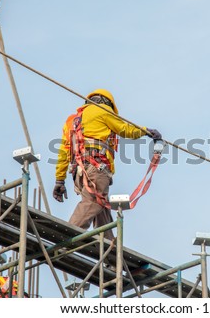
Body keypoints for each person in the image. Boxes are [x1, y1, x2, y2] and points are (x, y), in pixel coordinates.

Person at [52, 89, 161, 240]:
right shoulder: (103, 111)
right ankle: (65, 238)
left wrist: (59, 180)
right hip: (96, 168)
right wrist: (145, 131)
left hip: (79, 171)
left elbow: (64, 152)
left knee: (101, 207)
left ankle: (110, 252)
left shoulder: (72, 120)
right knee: (92, 203)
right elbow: (124, 129)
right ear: (107, 103)